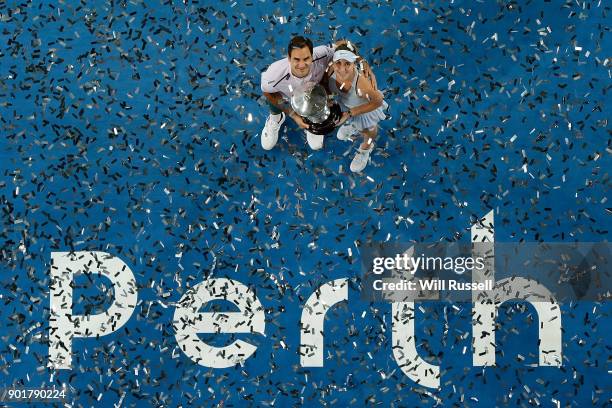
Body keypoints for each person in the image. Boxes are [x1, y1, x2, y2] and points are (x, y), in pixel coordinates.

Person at [326, 42, 387, 172]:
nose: (342, 69)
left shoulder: (361, 83)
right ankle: (353, 126)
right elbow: (343, 42)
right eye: (338, 63)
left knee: (368, 132)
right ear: (333, 62)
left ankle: (366, 148)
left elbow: (378, 101)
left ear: (354, 63)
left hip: (364, 110)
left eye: (347, 63)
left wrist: (350, 113)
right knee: (353, 122)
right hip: (347, 106)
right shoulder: (330, 70)